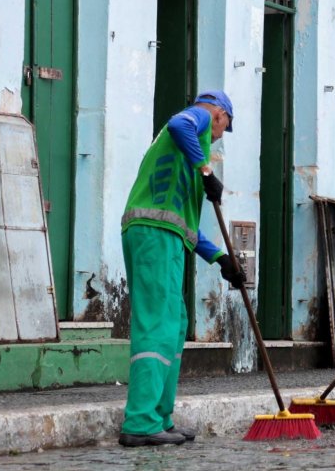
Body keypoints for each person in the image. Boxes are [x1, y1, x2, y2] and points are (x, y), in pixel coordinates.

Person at [118, 91, 247, 447]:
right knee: (157, 323)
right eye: (226, 127)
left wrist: (221, 259)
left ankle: (160, 417)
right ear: (220, 114)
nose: (220, 135)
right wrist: (205, 170)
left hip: (166, 237)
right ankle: (140, 421)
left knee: (175, 325)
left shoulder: (185, 159)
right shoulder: (198, 121)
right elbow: (180, 122)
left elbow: (186, 224)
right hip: (153, 235)